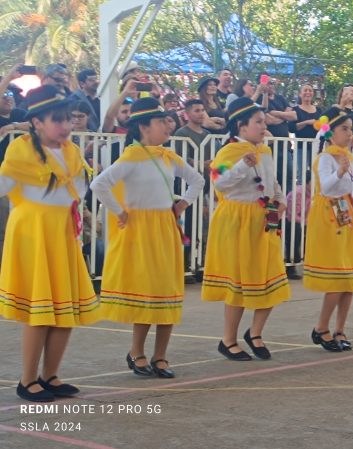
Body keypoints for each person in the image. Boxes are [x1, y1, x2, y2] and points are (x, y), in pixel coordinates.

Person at [90, 98, 205, 379]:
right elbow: (99, 184)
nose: (168, 126)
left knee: (167, 292)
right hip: (141, 232)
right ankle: (137, 352)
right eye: (160, 122)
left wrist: (182, 204)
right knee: (146, 294)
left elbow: (198, 180)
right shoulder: (131, 157)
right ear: (143, 126)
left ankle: (161, 356)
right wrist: (120, 212)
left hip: (165, 228)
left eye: (167, 121)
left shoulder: (168, 156)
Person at [0, 85, 97, 402]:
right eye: (58, 120)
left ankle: (50, 375)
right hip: (34, 234)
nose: (66, 126)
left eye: (68, 119)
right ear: (36, 122)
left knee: (64, 310)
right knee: (40, 313)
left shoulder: (72, 151)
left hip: (63, 233)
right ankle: (27, 380)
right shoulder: (21, 151)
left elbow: (77, 191)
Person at [203, 97, 291, 361]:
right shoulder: (228, 151)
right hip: (238, 220)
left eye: (264, 122)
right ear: (241, 126)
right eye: (259, 122)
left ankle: (255, 332)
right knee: (239, 282)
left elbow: (271, 180)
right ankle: (228, 339)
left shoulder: (265, 151)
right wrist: (243, 165)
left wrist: (280, 200)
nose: (264, 127)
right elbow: (219, 182)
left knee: (271, 276)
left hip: (264, 218)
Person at [304, 107, 353, 352]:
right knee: (336, 276)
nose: (349, 133)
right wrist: (339, 171)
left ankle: (340, 328)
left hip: (347, 213)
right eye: (344, 129)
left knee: (349, 277)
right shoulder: (324, 158)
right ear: (330, 133)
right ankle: (321, 327)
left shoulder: (350, 157)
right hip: (329, 214)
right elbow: (327, 187)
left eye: (350, 128)